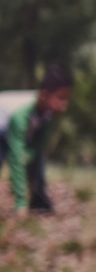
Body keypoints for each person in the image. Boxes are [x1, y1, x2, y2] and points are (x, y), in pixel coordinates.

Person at [4, 63, 71, 213]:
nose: (64, 106)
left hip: (9, 132)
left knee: (37, 159)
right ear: (44, 95)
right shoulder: (21, 113)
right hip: (3, 127)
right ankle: (23, 203)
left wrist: (30, 155)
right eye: (60, 98)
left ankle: (38, 200)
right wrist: (20, 203)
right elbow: (16, 159)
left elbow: (37, 147)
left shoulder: (46, 115)